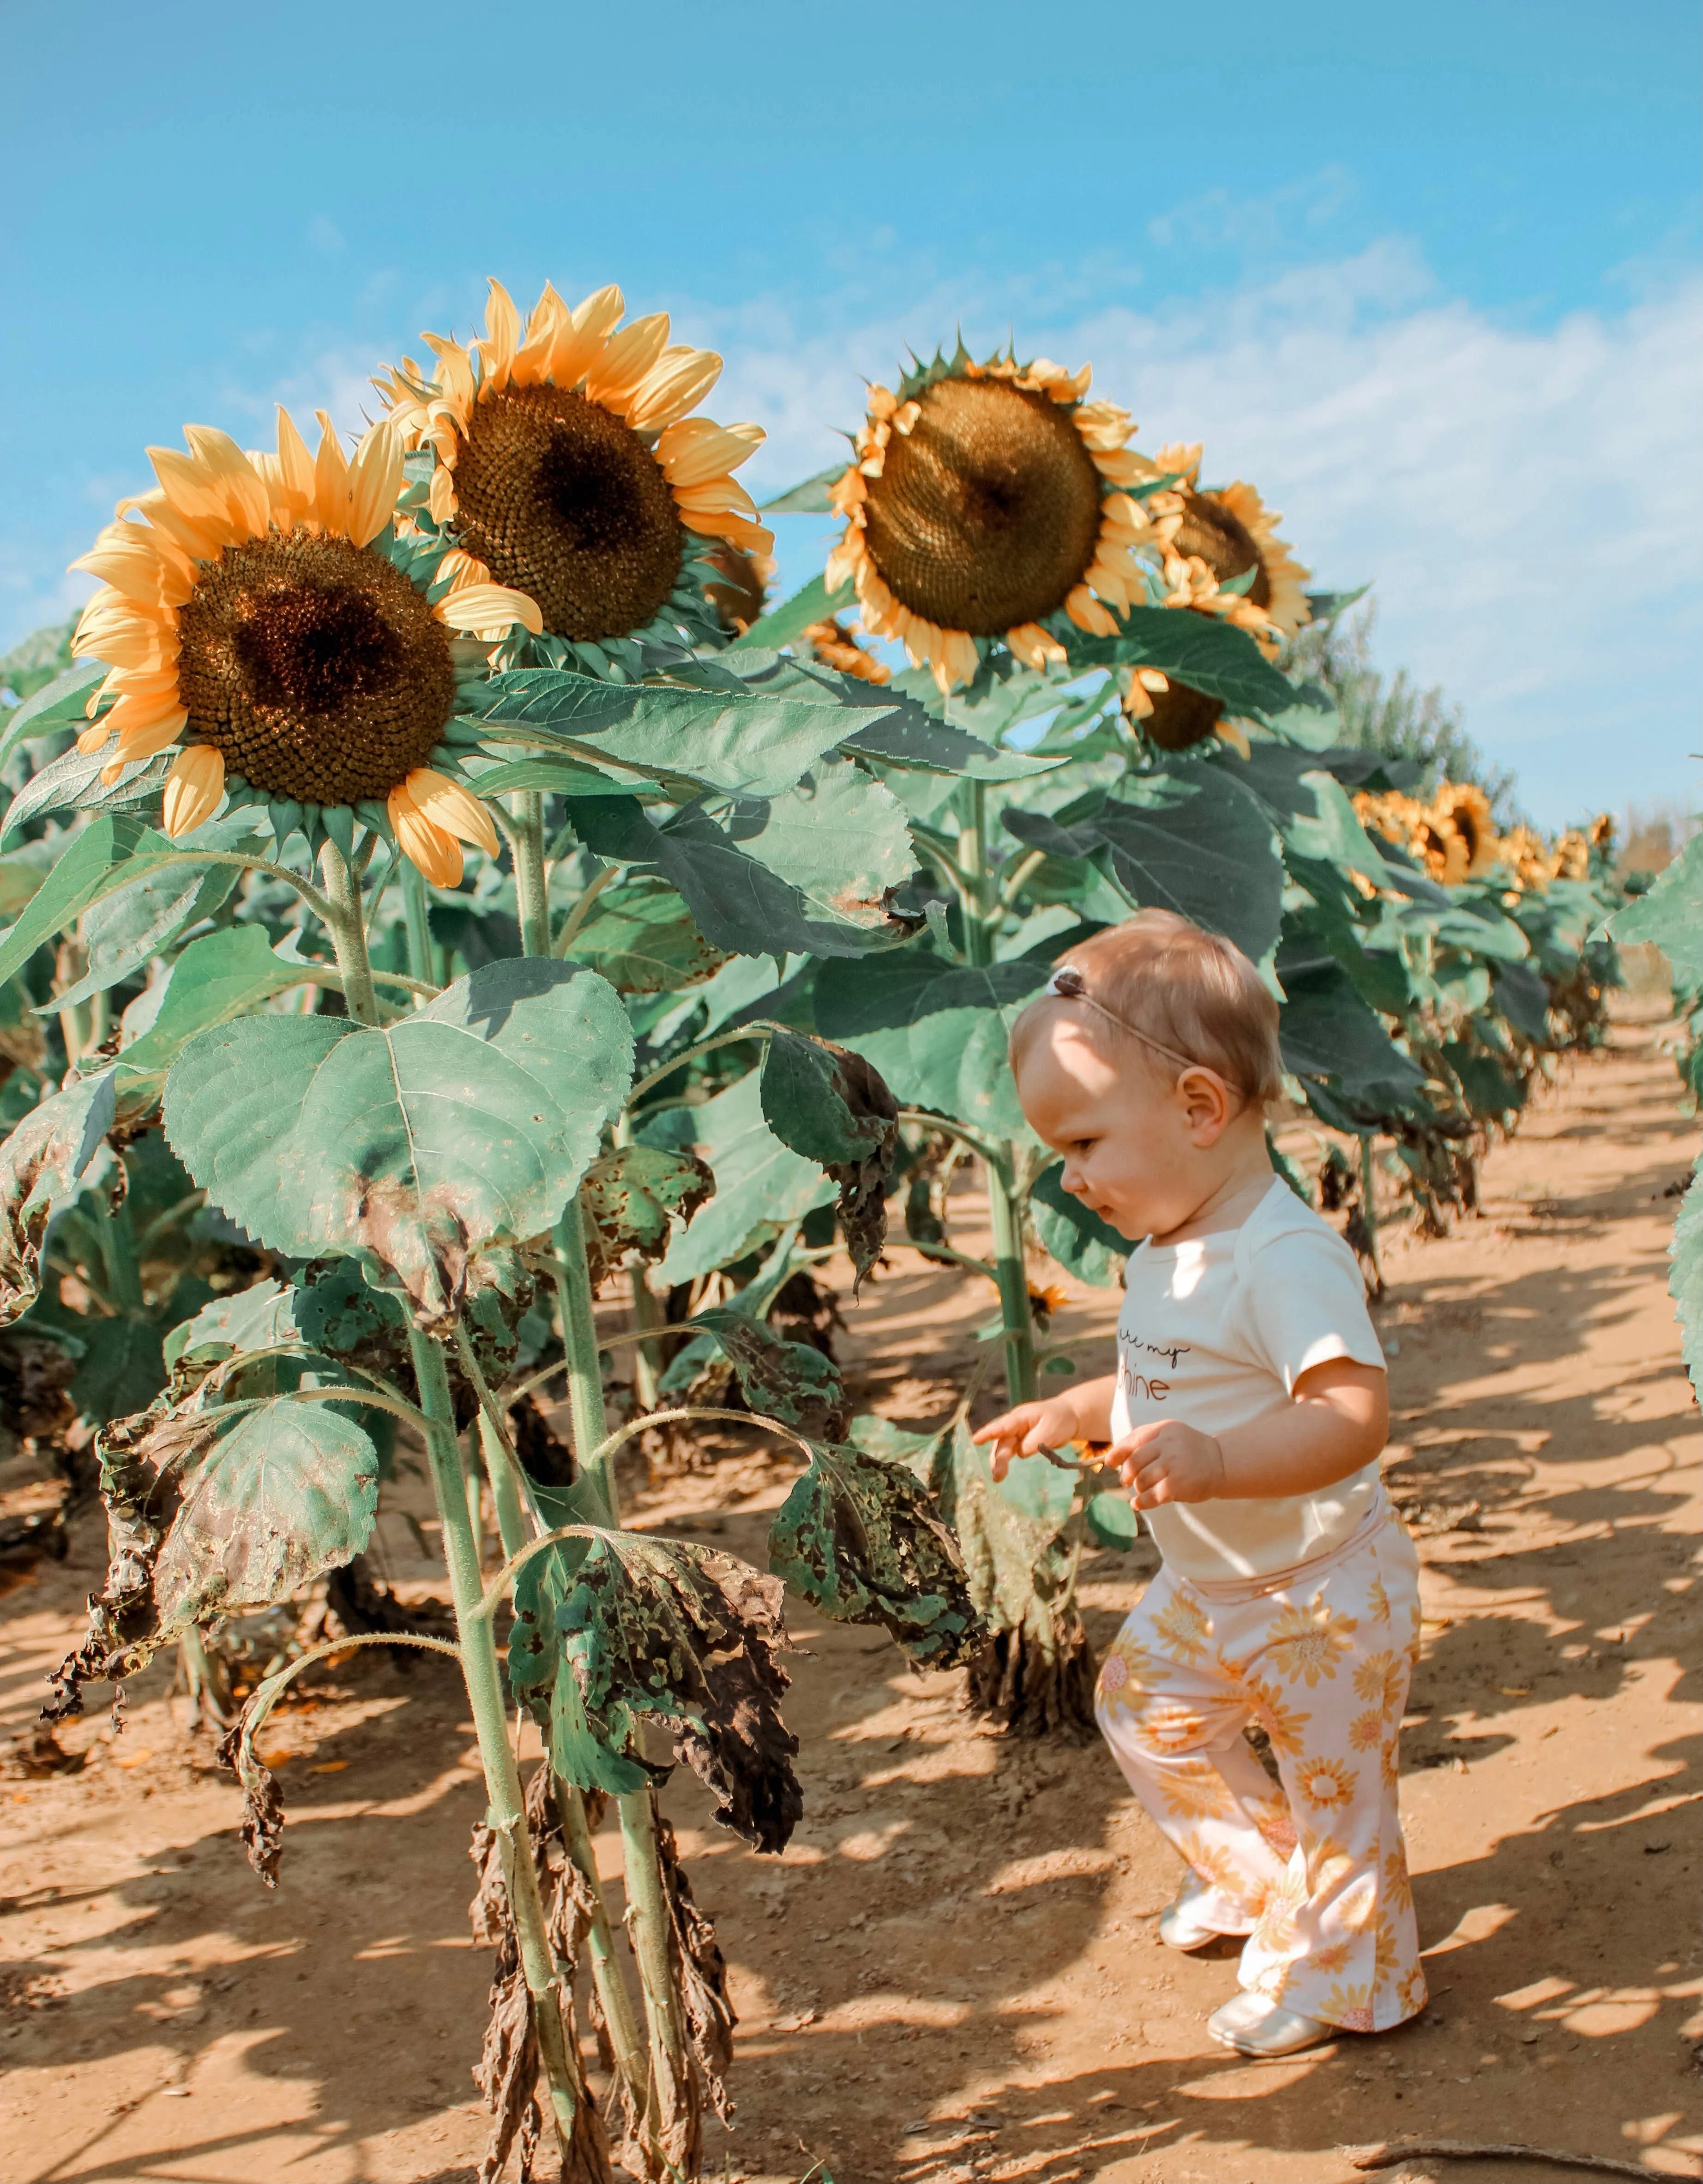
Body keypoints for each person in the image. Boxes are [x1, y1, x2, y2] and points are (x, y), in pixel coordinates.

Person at [973, 909, 1426, 2059]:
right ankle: (1266, 1885)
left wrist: (1218, 1462)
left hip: (1319, 1594)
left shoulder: (1282, 1257)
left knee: (1339, 1801)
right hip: (1216, 1584)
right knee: (1144, 1712)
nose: (1069, 1179)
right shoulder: (1166, 1252)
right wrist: (1073, 1412)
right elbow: (1158, 1379)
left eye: (1080, 1143)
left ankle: (1347, 1977)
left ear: (1196, 1108)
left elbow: (1350, 1415)